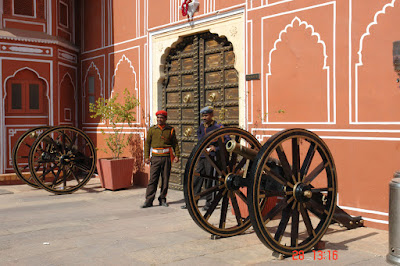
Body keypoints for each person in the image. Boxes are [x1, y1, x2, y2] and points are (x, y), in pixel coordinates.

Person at [181, 106, 223, 210]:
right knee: (197, 179)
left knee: (210, 180)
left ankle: (210, 203)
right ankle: (192, 202)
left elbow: (225, 141)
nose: (204, 118)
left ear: (212, 115)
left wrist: (216, 148)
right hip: (202, 156)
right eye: (203, 116)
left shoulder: (218, 127)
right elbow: (200, 139)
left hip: (212, 158)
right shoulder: (201, 127)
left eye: (206, 115)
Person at [141, 110, 180, 208]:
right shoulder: (152, 130)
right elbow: (147, 144)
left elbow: (175, 143)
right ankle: (149, 200)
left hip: (166, 157)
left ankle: (162, 199)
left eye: (161, 118)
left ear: (165, 119)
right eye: (158, 117)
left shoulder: (170, 130)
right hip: (155, 158)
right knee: (153, 179)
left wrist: (177, 155)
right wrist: (146, 157)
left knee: (165, 179)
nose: (159, 119)